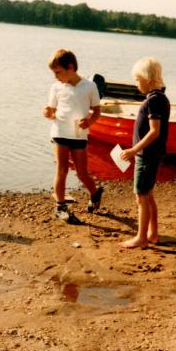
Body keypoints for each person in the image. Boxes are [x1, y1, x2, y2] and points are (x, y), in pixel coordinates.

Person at [43, 49, 103, 224]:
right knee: (62, 170)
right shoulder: (56, 87)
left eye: (58, 72)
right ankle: (60, 206)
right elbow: (51, 110)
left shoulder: (90, 86)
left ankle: (95, 193)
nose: (56, 77)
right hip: (60, 133)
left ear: (70, 67)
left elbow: (97, 111)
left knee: (82, 173)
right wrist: (47, 112)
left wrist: (89, 122)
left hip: (79, 135)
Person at [119, 57, 170, 248]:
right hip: (152, 155)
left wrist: (133, 150)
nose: (136, 83)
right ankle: (153, 234)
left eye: (137, 79)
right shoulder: (160, 98)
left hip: (147, 156)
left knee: (141, 196)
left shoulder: (154, 101)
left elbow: (154, 131)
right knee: (148, 194)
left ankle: (141, 237)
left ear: (148, 78)